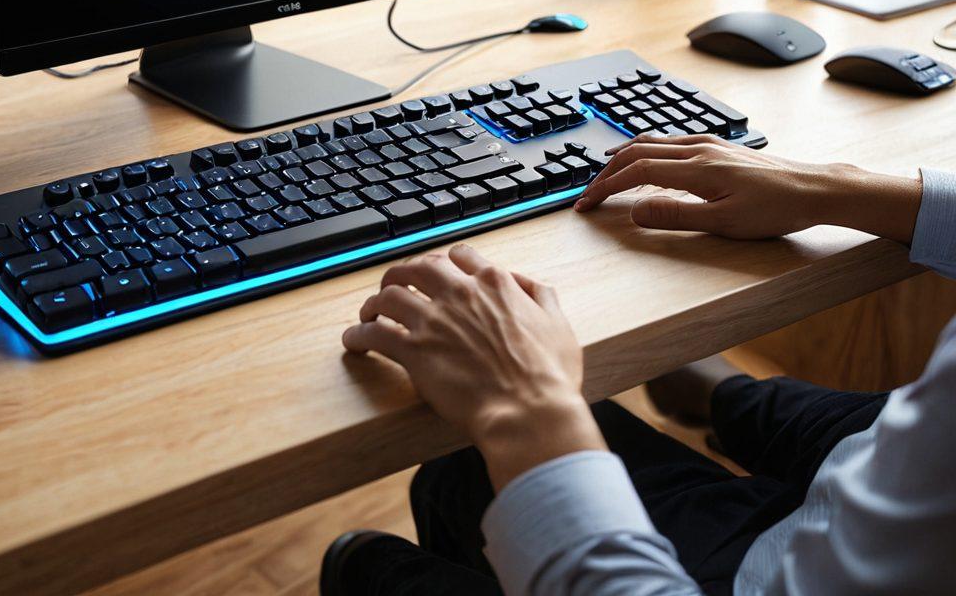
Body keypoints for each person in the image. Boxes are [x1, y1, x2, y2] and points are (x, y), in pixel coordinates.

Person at [319, 134, 956, 595]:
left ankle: (363, 565)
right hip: (907, 447)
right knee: (840, 424)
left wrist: (526, 409)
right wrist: (834, 187)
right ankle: (723, 397)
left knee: (462, 467)